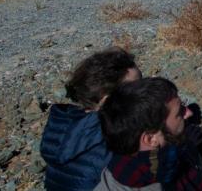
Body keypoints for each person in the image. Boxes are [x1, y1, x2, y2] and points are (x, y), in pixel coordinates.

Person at [41, 48, 142, 191]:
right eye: (136, 87)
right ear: (107, 99)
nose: (145, 90)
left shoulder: (63, 127)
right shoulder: (112, 140)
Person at [94, 78, 202, 191]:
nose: (189, 113)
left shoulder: (170, 150)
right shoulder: (155, 182)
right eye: (180, 112)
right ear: (151, 139)